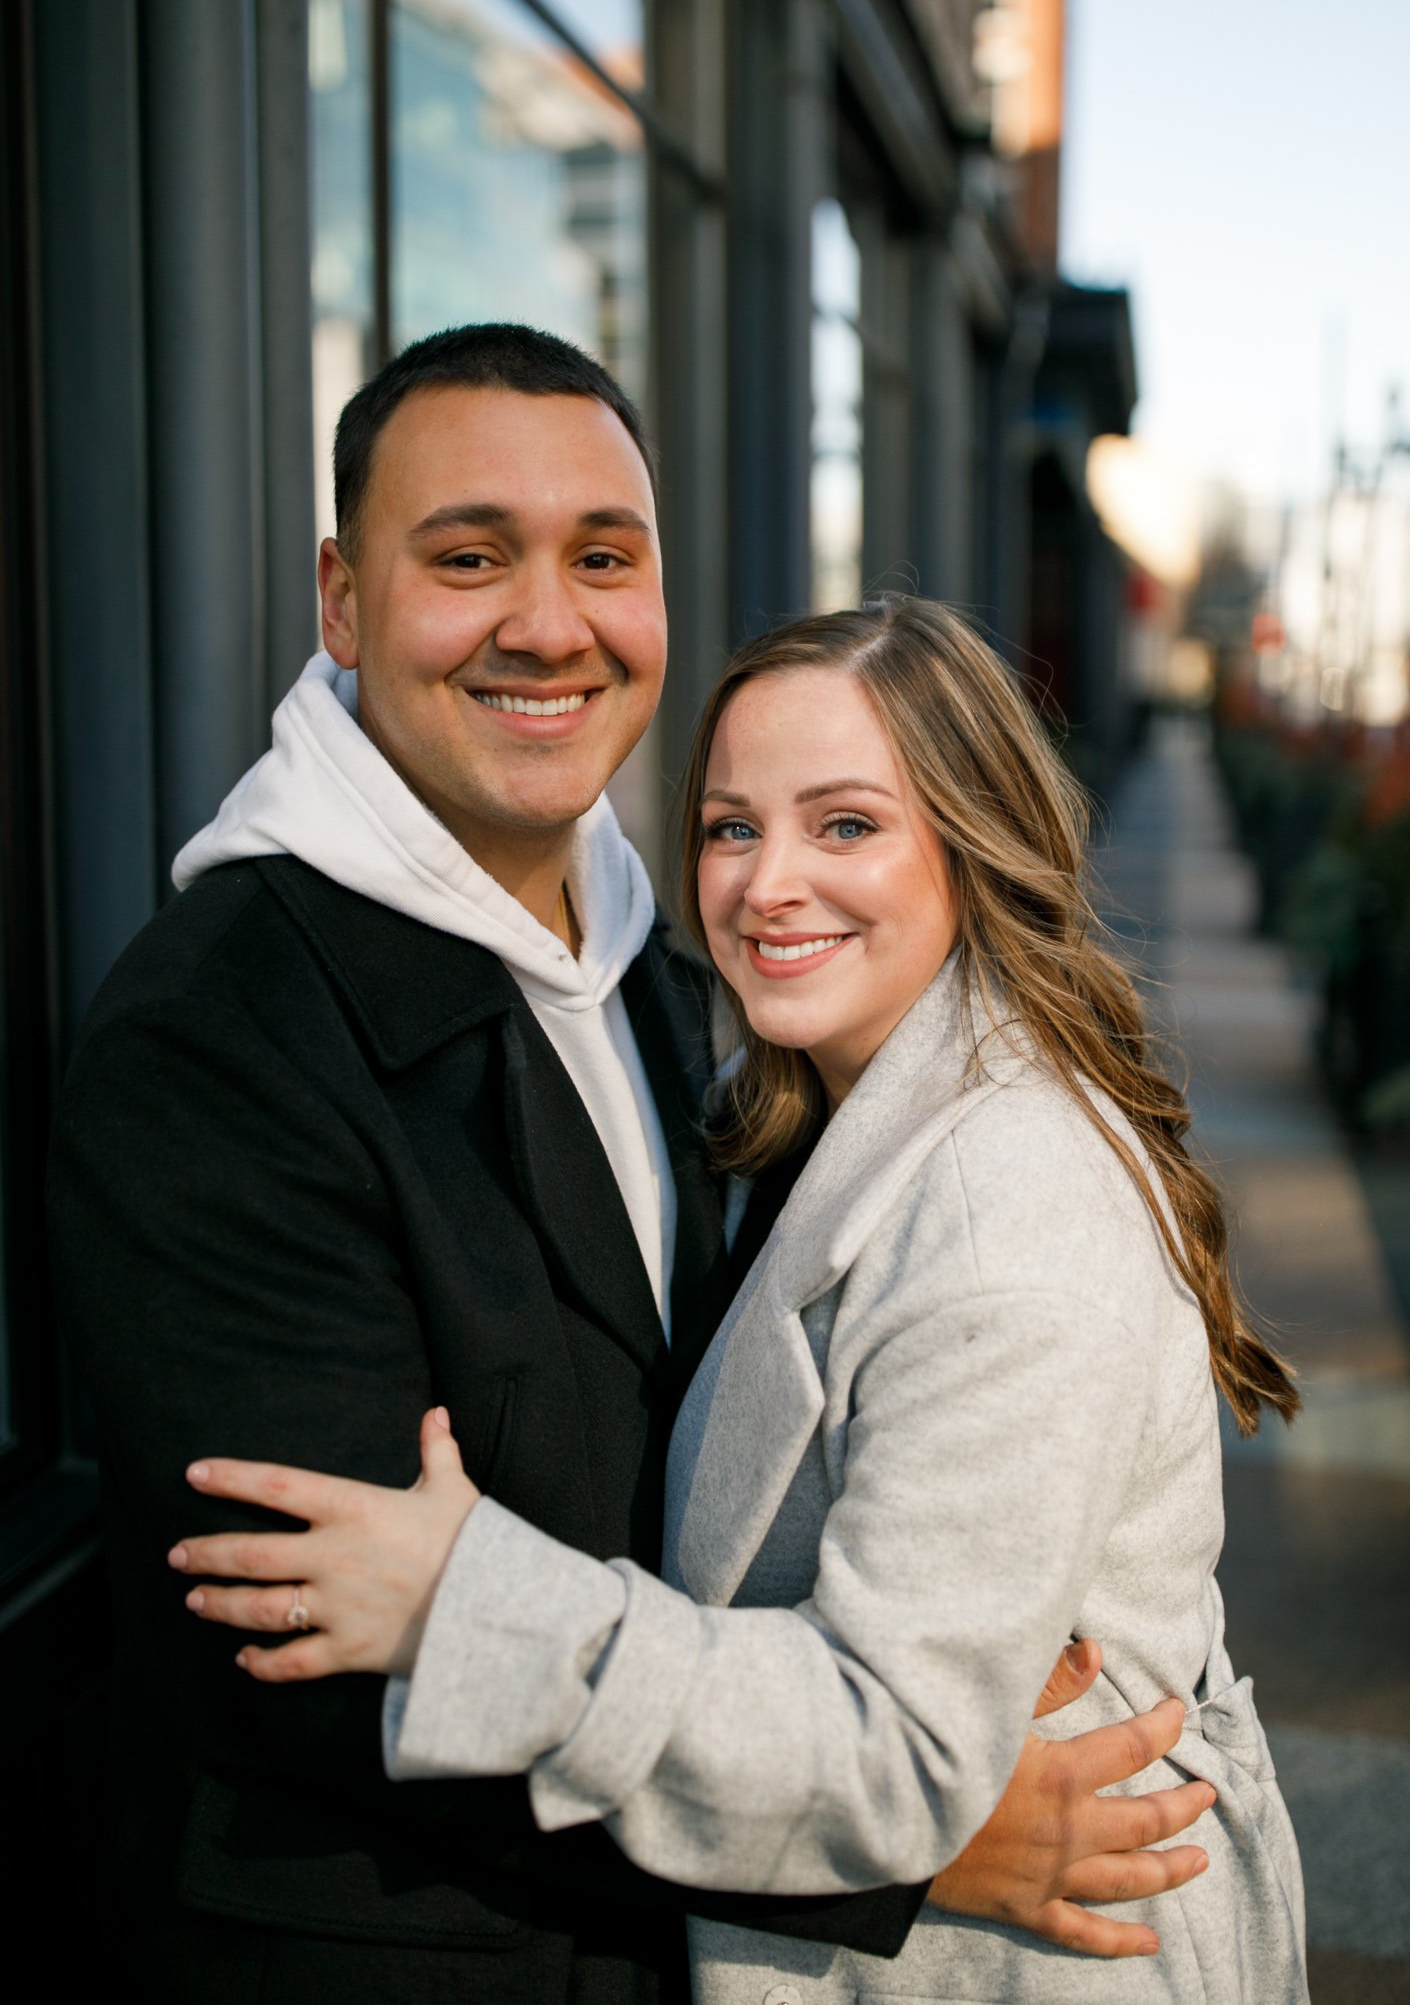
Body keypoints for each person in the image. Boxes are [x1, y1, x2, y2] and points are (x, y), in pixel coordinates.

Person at [53, 328, 1213, 2003]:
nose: (548, 622)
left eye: (604, 557)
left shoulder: (669, 983)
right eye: (467, 558)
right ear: (342, 601)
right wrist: (906, 1830)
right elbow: (313, 1654)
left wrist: (881, 1760)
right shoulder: (217, 1035)